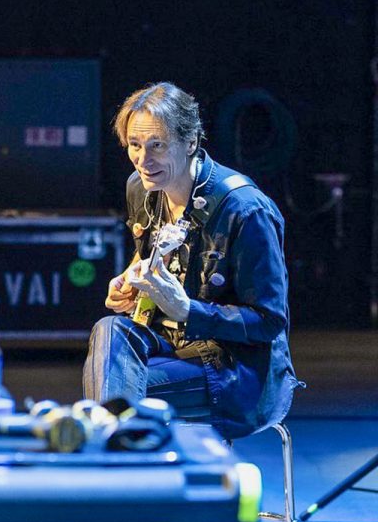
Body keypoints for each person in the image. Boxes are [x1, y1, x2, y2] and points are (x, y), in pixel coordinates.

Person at [83, 82, 300, 439]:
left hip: (236, 370)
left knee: (115, 399)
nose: (143, 160)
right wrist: (129, 280)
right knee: (109, 329)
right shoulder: (141, 187)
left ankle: (117, 472)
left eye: (157, 146)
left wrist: (187, 310)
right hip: (172, 347)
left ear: (190, 143)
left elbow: (269, 321)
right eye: (134, 146)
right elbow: (152, 255)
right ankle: (121, 462)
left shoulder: (246, 210)